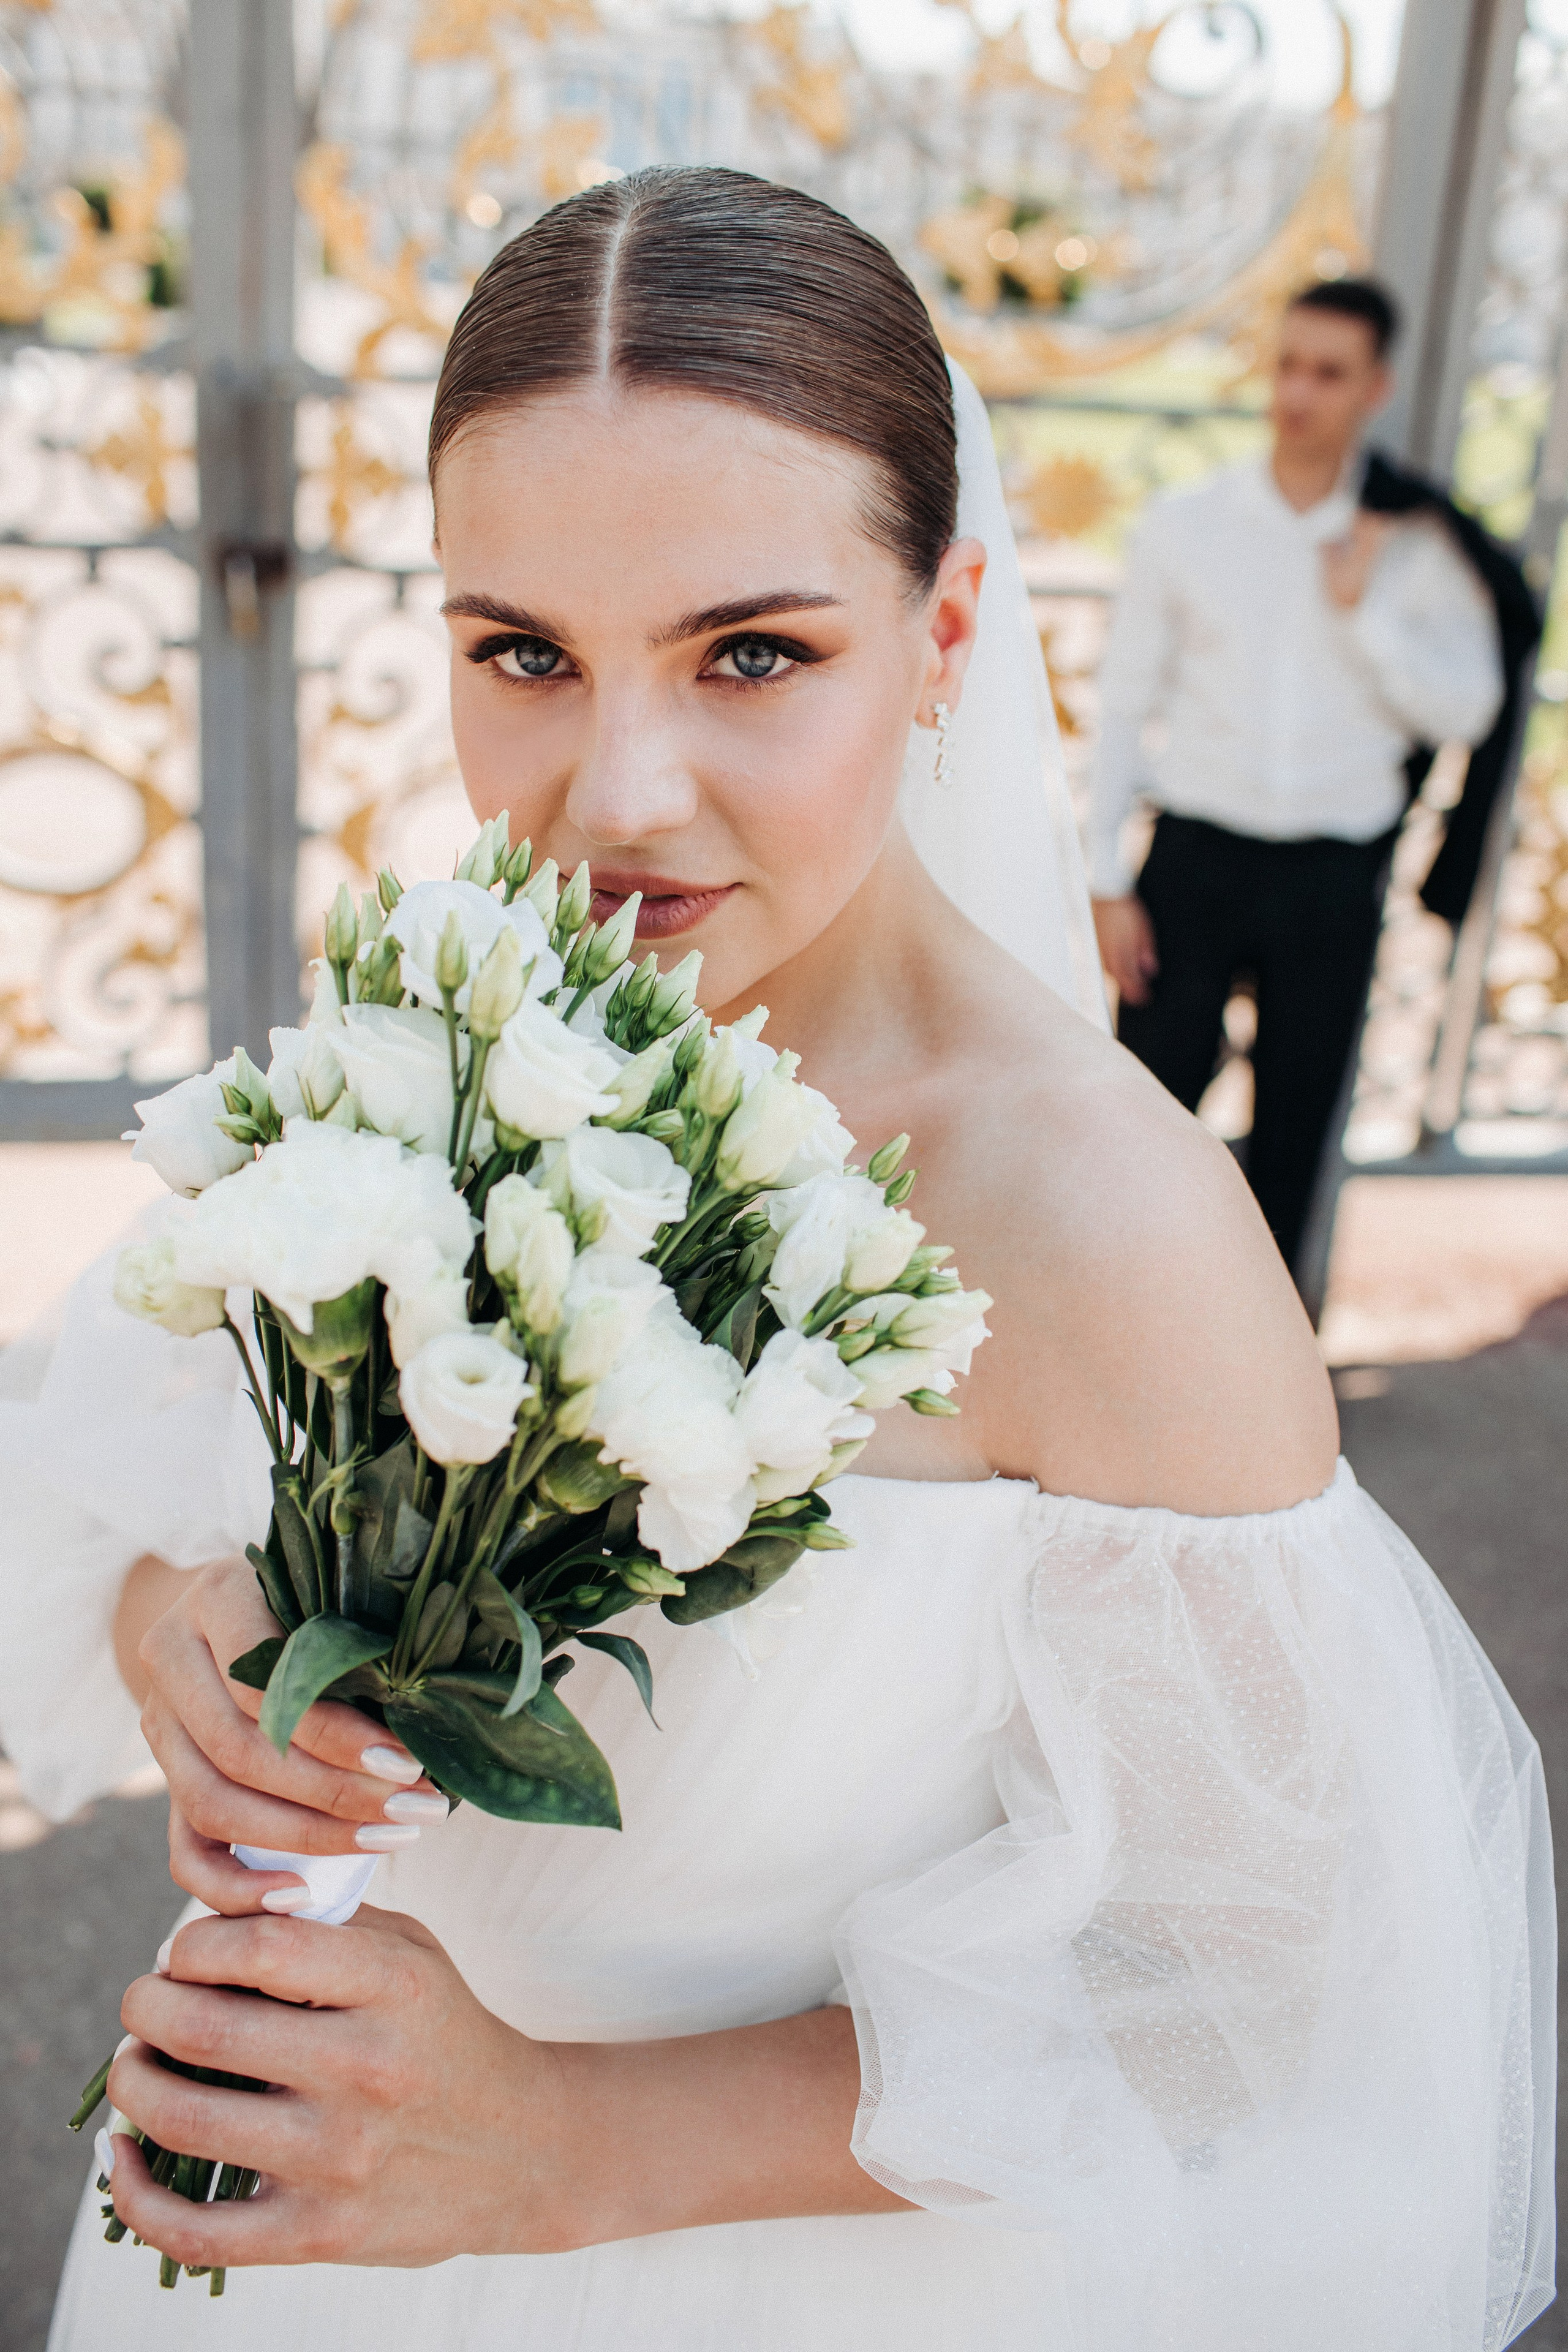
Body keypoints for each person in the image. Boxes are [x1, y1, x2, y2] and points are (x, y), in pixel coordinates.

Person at [0, 173, 1553, 2351]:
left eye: (754, 655)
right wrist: (196, 1637)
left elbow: (1262, 2007)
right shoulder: (451, 1022)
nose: (620, 792)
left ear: (944, 636)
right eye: (522, 652)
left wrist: (557, 2151)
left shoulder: (1103, 1235)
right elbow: (125, 1465)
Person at [1088, 278, 1507, 1279]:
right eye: (1288, 365)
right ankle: (1104, 1344)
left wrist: (1368, 618)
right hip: (1193, 863)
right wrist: (1104, 881)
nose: (1299, 393)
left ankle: (1268, 1395)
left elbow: (1473, 711)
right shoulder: (1186, 525)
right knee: (1134, 1124)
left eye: (1329, 372)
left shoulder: (1415, 545)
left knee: (1296, 1136)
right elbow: (1121, 703)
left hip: (1331, 876)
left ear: (1377, 386)